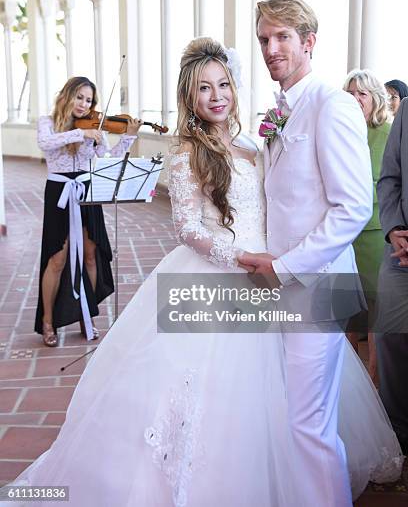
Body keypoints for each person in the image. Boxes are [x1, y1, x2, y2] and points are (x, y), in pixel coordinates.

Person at [3, 39, 402, 507]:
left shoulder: (256, 143)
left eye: (223, 84)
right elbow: (187, 228)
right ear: (189, 97)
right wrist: (239, 260)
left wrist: (278, 259)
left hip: (276, 276)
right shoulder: (187, 151)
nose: (217, 96)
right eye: (204, 88)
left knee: (295, 398)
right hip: (219, 277)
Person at [238, 0, 388, 506]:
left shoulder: (333, 104)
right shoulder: (279, 112)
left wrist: (283, 267)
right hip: (280, 286)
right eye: (264, 39)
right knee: (293, 413)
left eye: (283, 37)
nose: (272, 48)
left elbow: (352, 209)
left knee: (308, 423)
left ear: (309, 42)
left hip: (317, 285)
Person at [35, 76, 140, 346]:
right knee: (57, 258)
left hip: (86, 190)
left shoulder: (95, 128)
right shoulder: (47, 123)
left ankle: (86, 314)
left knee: (91, 255)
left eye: (89, 100)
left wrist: (127, 139)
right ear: (67, 95)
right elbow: (46, 143)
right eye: (80, 97)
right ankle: (48, 321)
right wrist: (81, 133)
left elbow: (108, 161)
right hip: (59, 192)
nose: (84, 104)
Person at [343, 69, 390, 379]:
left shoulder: (385, 132)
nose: (356, 99)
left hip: (373, 232)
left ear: (376, 99)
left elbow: (386, 183)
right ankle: (347, 383)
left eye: (362, 93)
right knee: (345, 309)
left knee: (374, 314)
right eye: (351, 93)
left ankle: (374, 380)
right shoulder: (342, 129)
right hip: (343, 233)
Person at [376, 96, 408, 455]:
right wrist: (393, 229)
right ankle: (399, 431)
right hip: (402, 246)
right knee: (390, 336)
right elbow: (390, 179)